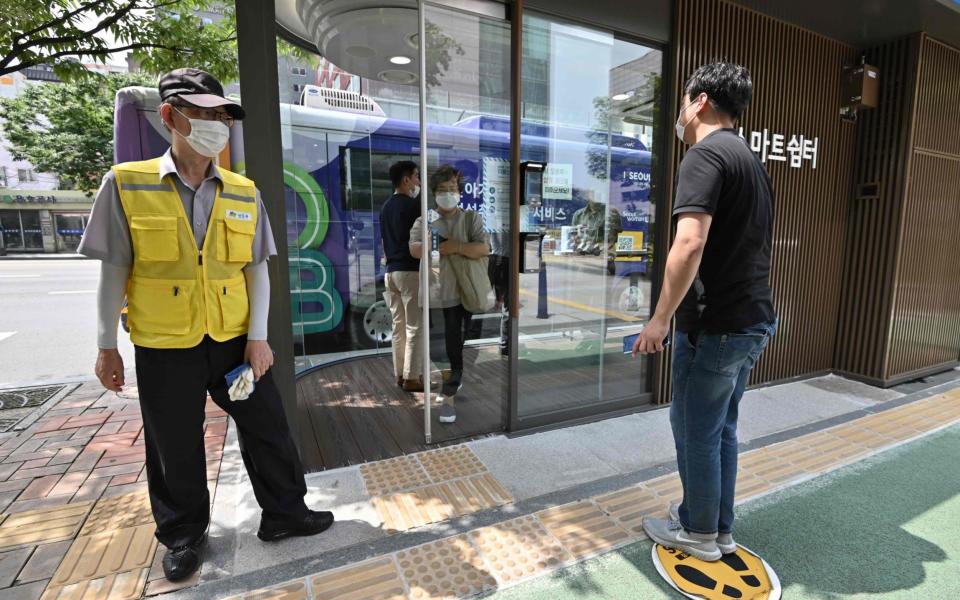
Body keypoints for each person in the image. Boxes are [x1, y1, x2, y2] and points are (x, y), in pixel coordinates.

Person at [78, 68, 334, 582]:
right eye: (204, 113)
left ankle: (286, 513)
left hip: (234, 343)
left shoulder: (243, 190)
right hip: (164, 343)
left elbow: (256, 269)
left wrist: (258, 339)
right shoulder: (126, 184)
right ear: (171, 116)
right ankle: (183, 535)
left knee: (269, 428)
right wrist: (107, 346)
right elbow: (114, 272)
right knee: (174, 444)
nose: (217, 124)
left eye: (222, 115)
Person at [633, 62, 777, 562]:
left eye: (683, 100)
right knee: (721, 427)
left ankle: (697, 533)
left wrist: (659, 319)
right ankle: (717, 527)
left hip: (716, 325)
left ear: (700, 101)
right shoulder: (750, 161)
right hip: (752, 319)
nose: (680, 112)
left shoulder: (704, 155)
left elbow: (689, 243)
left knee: (695, 426)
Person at [409, 165, 490, 424]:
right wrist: (435, 245)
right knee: (438, 349)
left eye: (452, 189)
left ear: (460, 191)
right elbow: (414, 250)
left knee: (455, 346)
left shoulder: (470, 219)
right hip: (434, 294)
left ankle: (449, 395)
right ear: (433, 193)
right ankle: (450, 386)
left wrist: (457, 246)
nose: (448, 194)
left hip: (462, 294)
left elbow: (483, 248)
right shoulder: (425, 220)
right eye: (442, 190)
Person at [380, 161, 424, 392]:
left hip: (390, 273)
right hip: (409, 272)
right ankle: (412, 377)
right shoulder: (412, 206)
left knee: (399, 327)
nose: (418, 182)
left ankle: (400, 374)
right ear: (406, 180)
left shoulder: (385, 207)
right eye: (416, 176)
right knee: (415, 327)